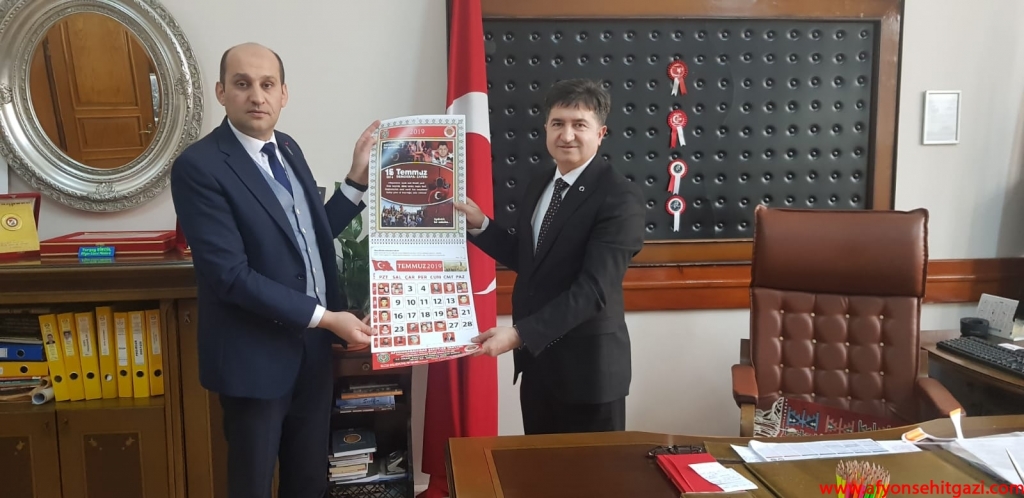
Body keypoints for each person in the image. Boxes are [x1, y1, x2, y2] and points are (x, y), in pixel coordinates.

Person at [170, 42, 376, 498]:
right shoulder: (199, 166)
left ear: (284, 94)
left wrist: (356, 180)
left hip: (312, 354)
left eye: (267, 85)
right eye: (242, 84)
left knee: (308, 482)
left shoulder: (288, 148)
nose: (256, 96)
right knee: (253, 485)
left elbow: (309, 236)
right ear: (222, 92)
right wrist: (327, 317)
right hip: (254, 360)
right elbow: (230, 276)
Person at [456, 78, 645, 435]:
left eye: (579, 125)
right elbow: (532, 261)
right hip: (538, 366)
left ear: (600, 133)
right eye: (558, 123)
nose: (567, 135)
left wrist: (518, 334)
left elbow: (593, 291)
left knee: (591, 470)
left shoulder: (620, 197)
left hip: (588, 376)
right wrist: (481, 225)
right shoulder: (541, 182)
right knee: (537, 467)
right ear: (546, 128)